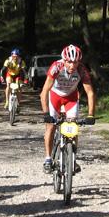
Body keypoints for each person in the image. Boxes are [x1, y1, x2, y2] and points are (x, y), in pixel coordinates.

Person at [40, 44, 95, 173]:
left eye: (75, 62)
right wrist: (46, 113)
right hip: (55, 96)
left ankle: (72, 158)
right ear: (64, 60)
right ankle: (48, 158)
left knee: (73, 126)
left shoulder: (81, 70)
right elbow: (44, 92)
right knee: (51, 126)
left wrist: (91, 115)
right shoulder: (56, 67)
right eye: (69, 62)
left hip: (71, 97)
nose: (72, 65)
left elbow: (90, 93)